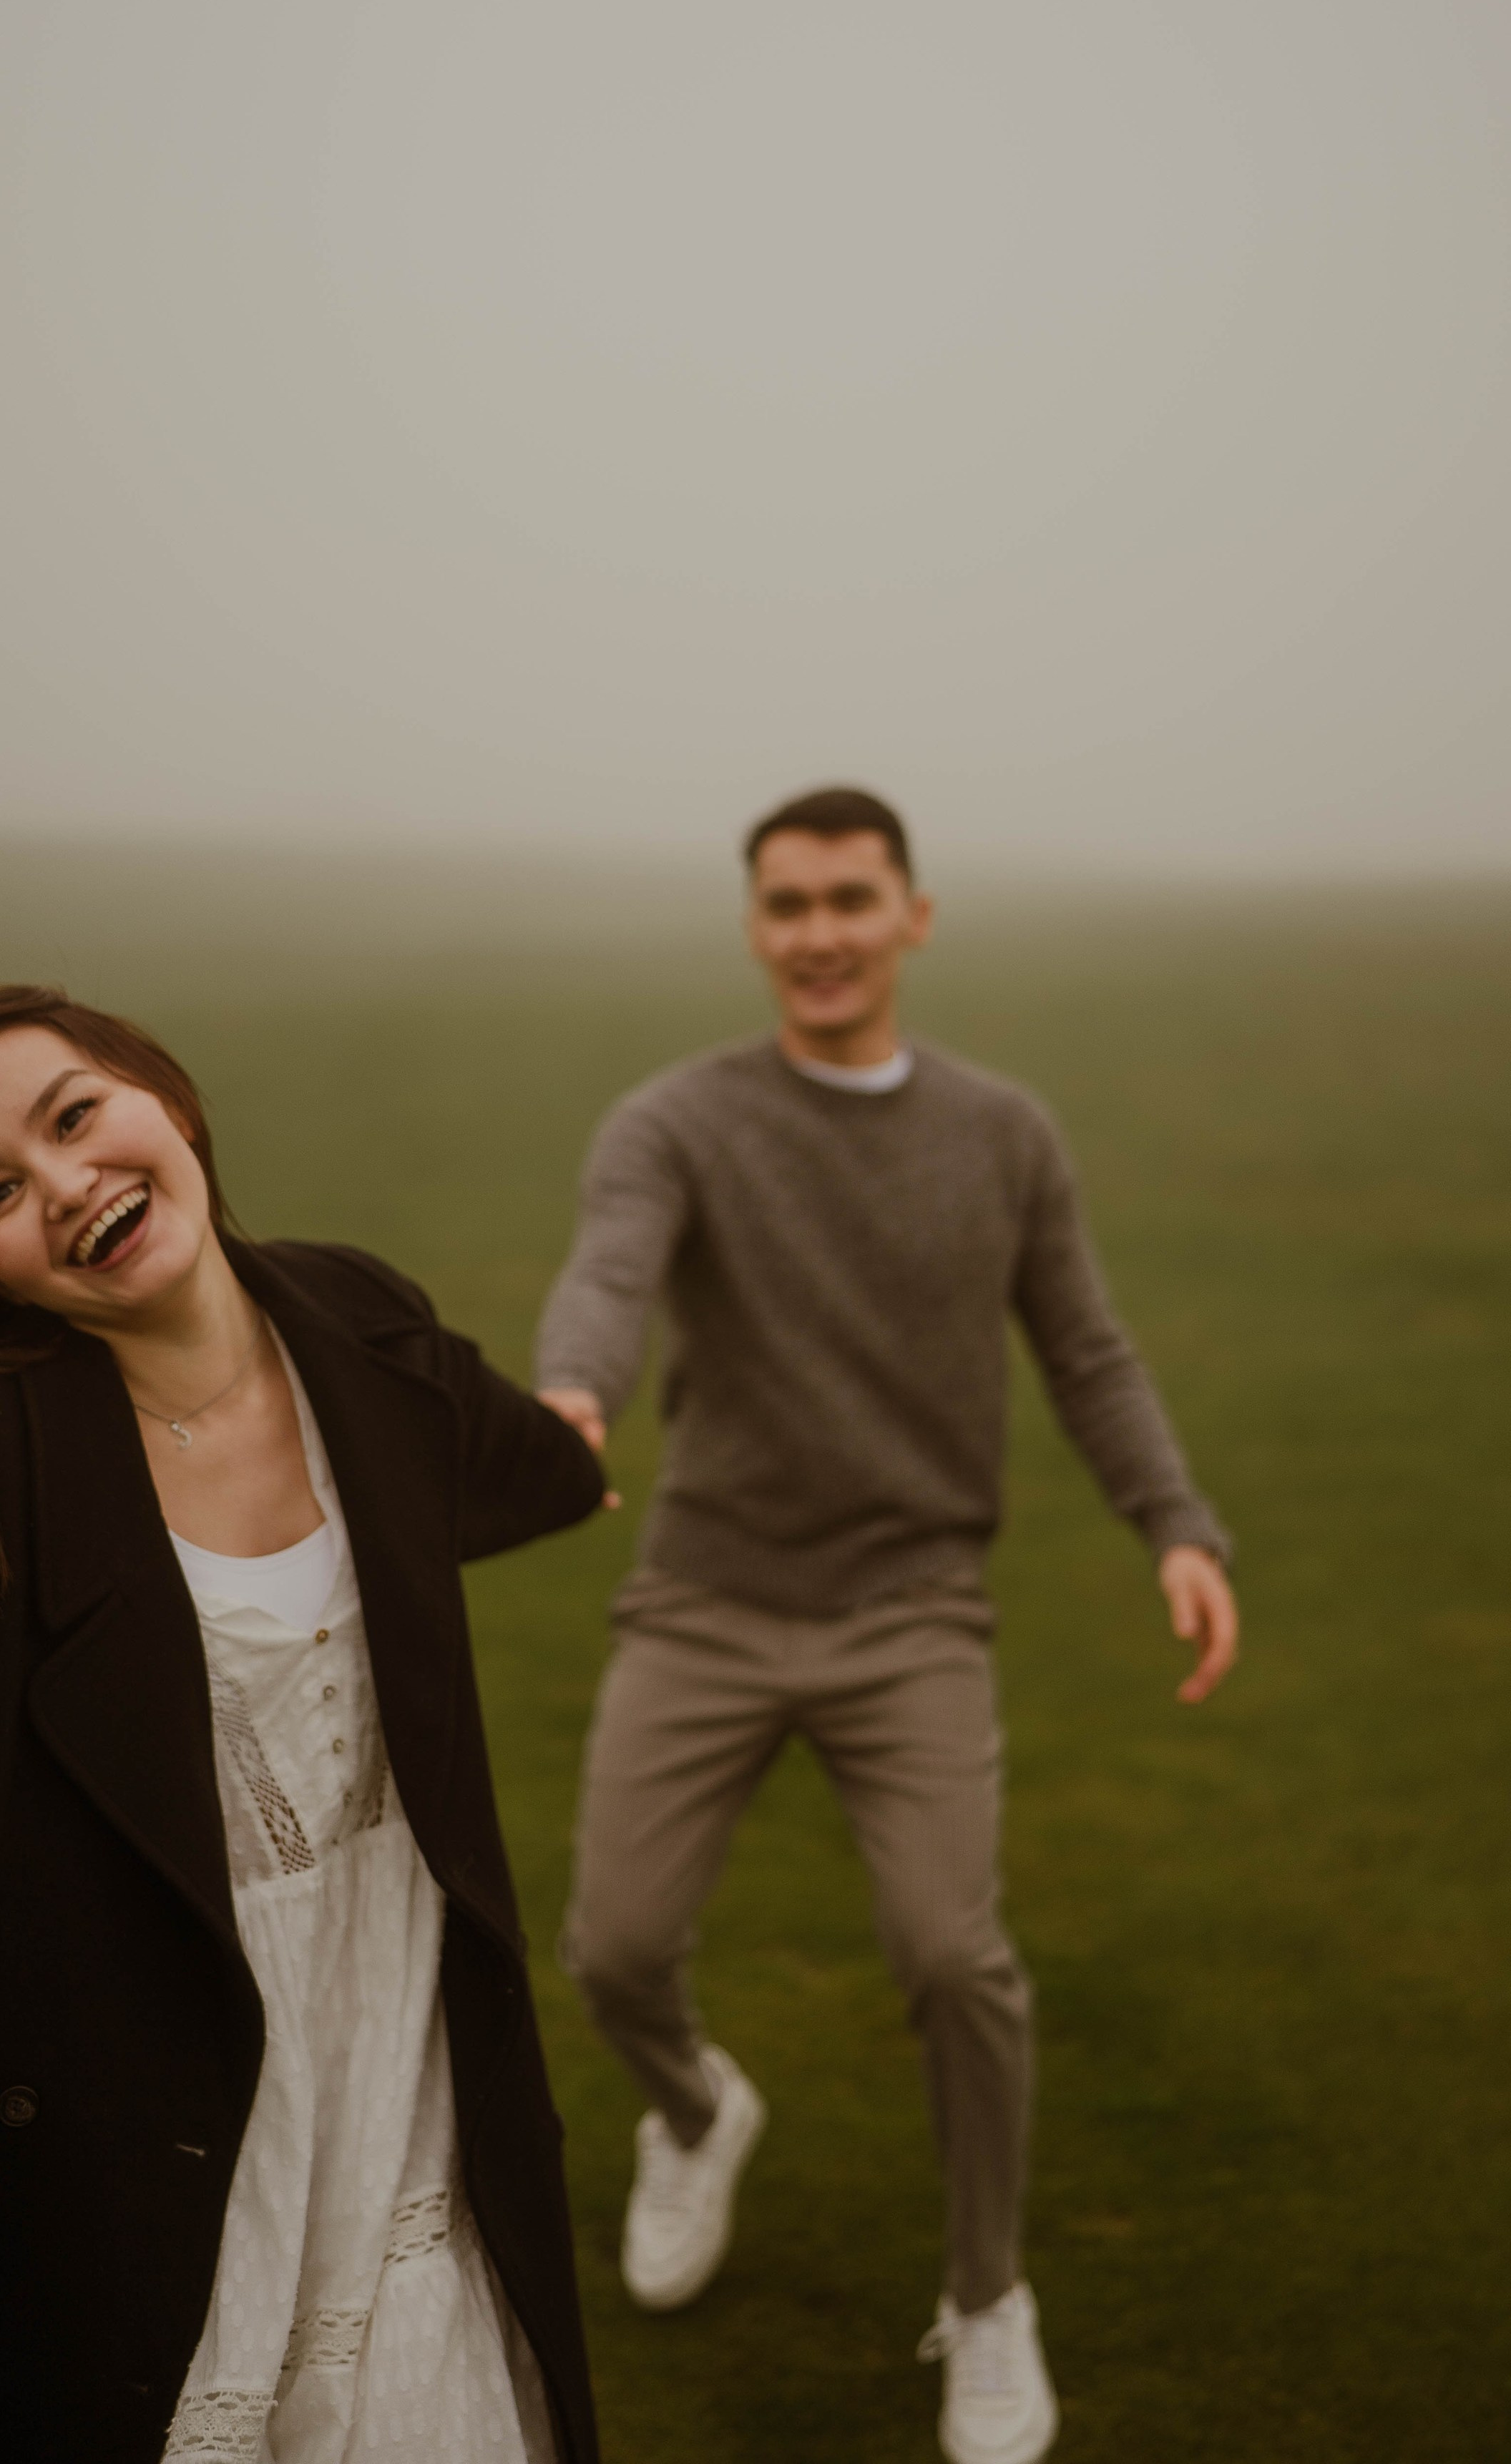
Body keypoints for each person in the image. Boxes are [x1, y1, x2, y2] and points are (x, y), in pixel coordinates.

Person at [535, 787, 1239, 2464]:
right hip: (706, 1593)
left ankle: (986, 2295)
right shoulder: (676, 1120)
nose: (821, 931)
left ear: (913, 913)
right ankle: (699, 2113)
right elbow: (610, 1267)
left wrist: (1177, 1522)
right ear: (756, 926)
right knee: (612, 1950)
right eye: (787, 903)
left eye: (852, 897)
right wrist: (572, 1390)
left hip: (911, 1603)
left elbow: (1085, 1348)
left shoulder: (1003, 1134)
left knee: (949, 1950)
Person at [0, 982, 610, 2464]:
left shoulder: (354, 1322)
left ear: (163, 1096)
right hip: (139, 2093)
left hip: (403, 2057)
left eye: (75, 1114)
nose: (70, 1185)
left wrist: (586, 1461)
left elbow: (509, 1451)